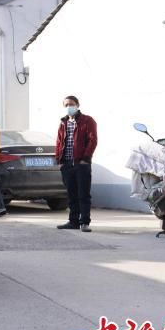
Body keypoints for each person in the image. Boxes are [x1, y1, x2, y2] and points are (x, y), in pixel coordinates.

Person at [55, 95, 97, 232]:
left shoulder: (87, 120)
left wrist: (86, 158)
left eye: (71, 104)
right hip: (67, 164)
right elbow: (59, 142)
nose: (69, 107)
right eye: (66, 105)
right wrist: (59, 161)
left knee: (83, 194)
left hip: (81, 164)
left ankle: (84, 222)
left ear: (78, 105)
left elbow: (93, 140)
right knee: (71, 194)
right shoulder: (63, 123)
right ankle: (73, 221)